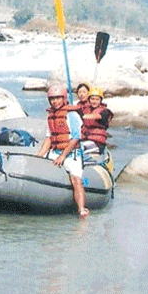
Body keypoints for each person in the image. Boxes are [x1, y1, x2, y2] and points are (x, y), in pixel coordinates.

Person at [35, 85, 89, 218]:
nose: (55, 101)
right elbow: (49, 138)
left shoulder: (72, 115)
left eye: (58, 98)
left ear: (64, 98)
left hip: (71, 154)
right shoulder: (51, 116)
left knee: (76, 179)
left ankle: (81, 209)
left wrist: (63, 156)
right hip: (55, 151)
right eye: (52, 99)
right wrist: (39, 156)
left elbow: (75, 137)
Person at [80, 87, 113, 156]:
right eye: (92, 99)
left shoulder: (105, 111)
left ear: (100, 101)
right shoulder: (85, 110)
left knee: (78, 148)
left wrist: (84, 116)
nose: (94, 101)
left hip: (97, 144)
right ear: (89, 100)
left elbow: (99, 116)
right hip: (86, 140)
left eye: (97, 99)